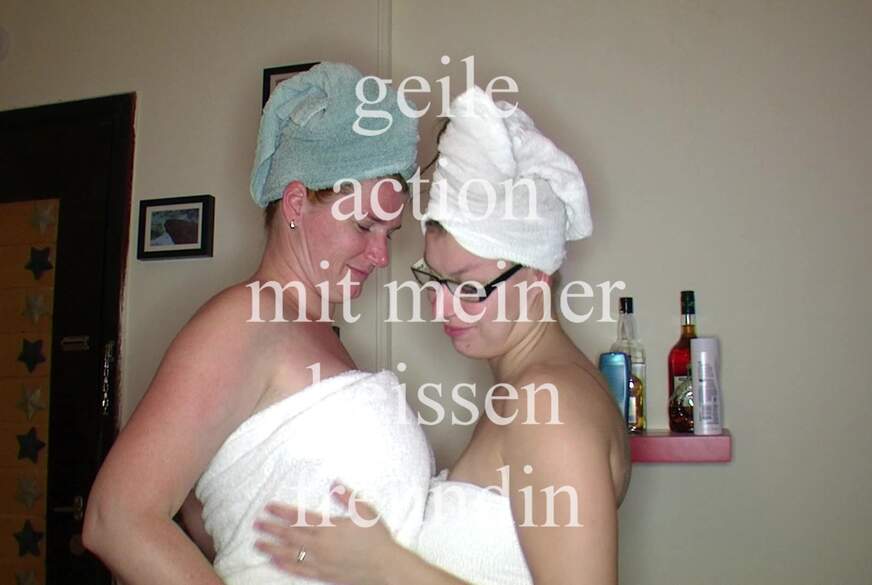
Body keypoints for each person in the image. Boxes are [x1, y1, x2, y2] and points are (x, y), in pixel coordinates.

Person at [253, 87, 632, 585]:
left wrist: (384, 565)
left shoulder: (550, 406)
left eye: (468, 287)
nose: (441, 307)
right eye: (433, 279)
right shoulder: (530, 390)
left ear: (536, 278)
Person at [82, 62, 435, 585]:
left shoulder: (311, 331)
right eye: (365, 225)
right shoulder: (245, 320)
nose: (381, 255)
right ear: (296, 203)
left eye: (390, 232)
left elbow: (219, 512)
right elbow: (116, 519)